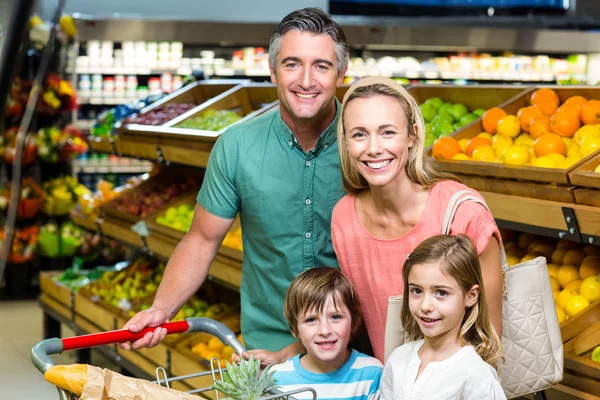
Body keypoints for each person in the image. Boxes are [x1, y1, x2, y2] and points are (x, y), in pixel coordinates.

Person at [120, 7, 349, 362]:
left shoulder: (366, 144)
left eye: (321, 65)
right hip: (267, 347)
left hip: (356, 347)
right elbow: (201, 239)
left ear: (341, 72)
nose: (306, 80)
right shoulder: (237, 145)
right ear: (272, 71)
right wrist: (161, 309)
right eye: (291, 64)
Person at [332, 76, 504, 362]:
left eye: (387, 132)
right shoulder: (344, 218)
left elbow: (490, 341)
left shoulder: (462, 214)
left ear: (412, 135)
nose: (373, 148)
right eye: (359, 134)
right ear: (346, 142)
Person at [380, 234, 506, 399]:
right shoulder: (398, 359)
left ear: (471, 296)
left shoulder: (477, 377)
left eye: (441, 292)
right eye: (416, 290)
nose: (425, 306)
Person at [271, 267, 383, 400]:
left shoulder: (372, 374)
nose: (325, 331)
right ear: (295, 329)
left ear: (353, 321)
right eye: (311, 320)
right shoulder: (277, 380)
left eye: (336, 317)